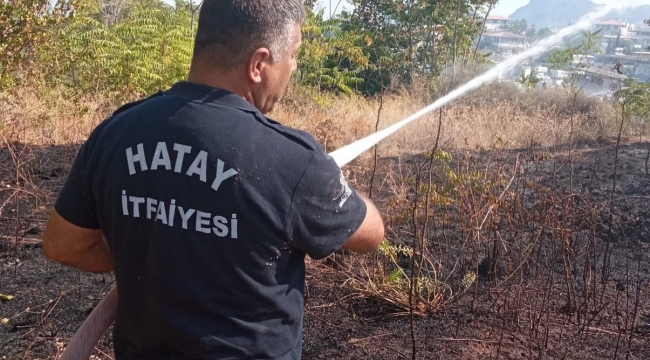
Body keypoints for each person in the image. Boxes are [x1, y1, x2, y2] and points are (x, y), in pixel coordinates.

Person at [41, 0, 385, 359]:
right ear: (258, 64)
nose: (294, 66)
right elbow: (369, 234)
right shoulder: (292, 160)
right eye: (294, 55)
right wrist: (331, 184)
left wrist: (156, 251)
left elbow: (64, 244)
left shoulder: (115, 133)